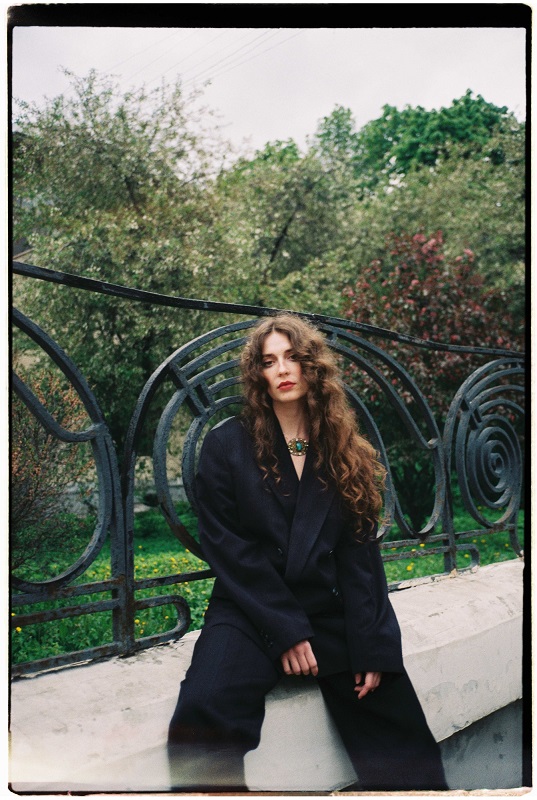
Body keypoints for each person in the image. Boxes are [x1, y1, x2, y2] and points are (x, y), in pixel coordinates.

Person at [167, 313, 448, 792]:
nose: (282, 369)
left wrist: (372, 645)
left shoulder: (344, 450)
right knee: (205, 710)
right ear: (257, 374)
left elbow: (360, 556)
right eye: (269, 360)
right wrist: (287, 630)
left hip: (329, 605)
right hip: (251, 607)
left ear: (312, 365)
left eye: (293, 357)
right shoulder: (226, 445)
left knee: (394, 723)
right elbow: (229, 549)